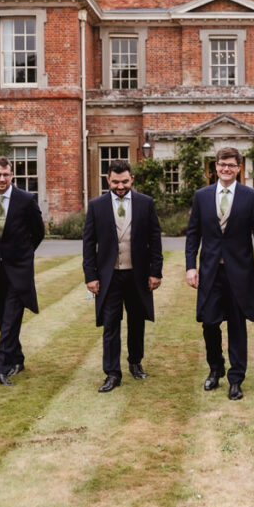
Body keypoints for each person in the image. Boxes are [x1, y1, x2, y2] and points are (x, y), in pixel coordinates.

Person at [185, 147, 254, 400]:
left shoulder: (250, 196)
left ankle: (236, 378)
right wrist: (191, 266)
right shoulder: (202, 196)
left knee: (237, 325)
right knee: (209, 322)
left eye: (231, 165)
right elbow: (193, 235)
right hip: (210, 271)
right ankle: (216, 367)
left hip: (239, 272)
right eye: (222, 164)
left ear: (239, 168)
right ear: (215, 166)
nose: (226, 169)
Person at [82, 159, 163, 393]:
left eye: (124, 181)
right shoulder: (96, 206)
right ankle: (112, 373)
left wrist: (155, 272)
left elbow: (155, 240)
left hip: (137, 275)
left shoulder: (145, 203)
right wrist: (91, 276)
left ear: (132, 180)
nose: (120, 186)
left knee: (137, 321)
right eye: (115, 182)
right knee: (110, 324)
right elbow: (89, 244)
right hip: (109, 277)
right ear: (108, 179)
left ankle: (135, 362)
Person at [0, 156, 46, 386]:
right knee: (3, 317)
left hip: (19, 269)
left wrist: (22, 253)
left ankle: (0, 367)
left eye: (6, 174)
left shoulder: (26, 200)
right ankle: (17, 358)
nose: (2, 179)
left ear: (12, 175)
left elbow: (38, 232)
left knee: (12, 316)